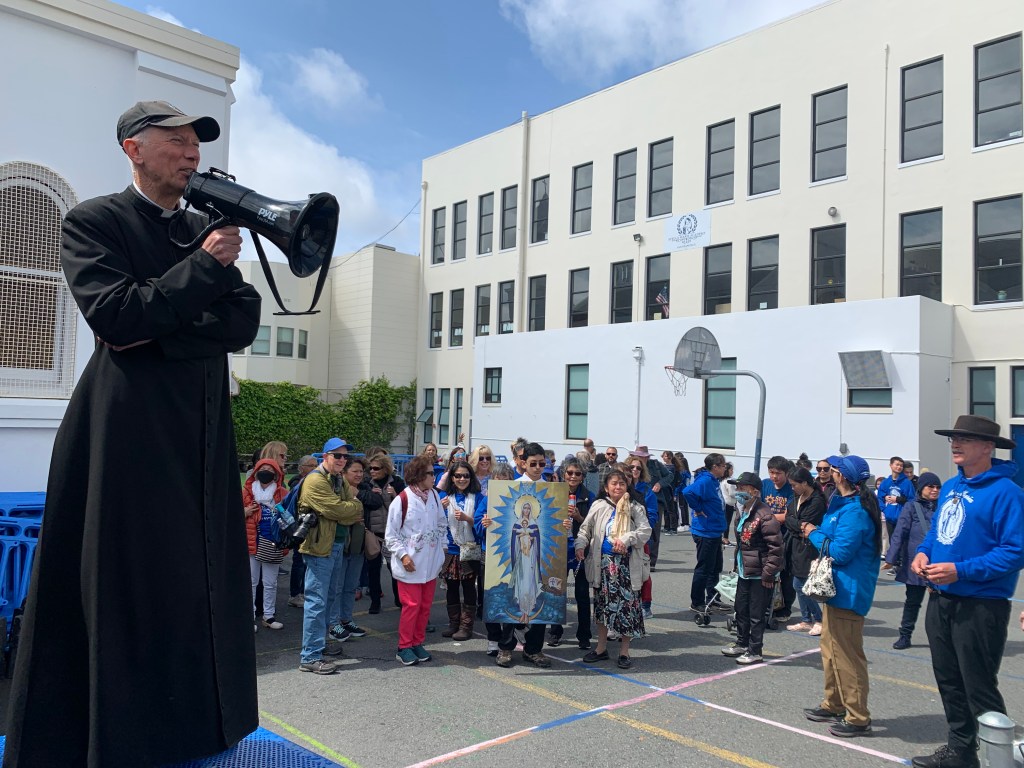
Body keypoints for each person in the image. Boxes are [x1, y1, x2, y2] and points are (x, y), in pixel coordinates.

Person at [4, 101, 262, 767]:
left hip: (201, 429)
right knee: (128, 579)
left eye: (196, 142)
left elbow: (240, 324)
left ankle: (195, 729)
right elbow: (116, 319)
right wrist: (202, 272)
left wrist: (162, 323)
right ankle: (117, 738)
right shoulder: (95, 221)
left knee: (196, 576)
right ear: (133, 149)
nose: (192, 153)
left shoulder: (205, 228)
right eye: (175, 140)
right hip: (127, 431)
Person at [910, 415, 1024, 768]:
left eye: (966, 439)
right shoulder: (950, 486)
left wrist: (960, 570)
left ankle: (998, 759)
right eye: (954, 438)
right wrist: (923, 552)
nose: (956, 444)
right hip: (941, 598)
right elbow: (937, 533)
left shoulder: (1007, 492)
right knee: (948, 680)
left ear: (988, 447)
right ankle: (960, 751)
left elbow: (1015, 551)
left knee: (979, 687)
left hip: (981, 604)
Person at [801, 453, 882, 739]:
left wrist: (812, 532)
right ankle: (834, 703)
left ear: (842, 477)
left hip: (848, 592)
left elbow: (840, 552)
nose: (828, 473)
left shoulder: (855, 512)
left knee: (847, 656)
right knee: (830, 651)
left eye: (833, 469)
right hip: (834, 590)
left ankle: (858, 717)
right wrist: (818, 533)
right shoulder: (843, 504)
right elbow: (829, 536)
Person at [574, 468, 652, 670]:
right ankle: (601, 648)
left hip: (626, 566)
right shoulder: (599, 505)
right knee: (602, 607)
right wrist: (580, 545)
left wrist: (627, 539)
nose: (618, 487)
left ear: (627, 486)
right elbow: (585, 529)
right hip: (603, 565)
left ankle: (624, 651)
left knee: (627, 609)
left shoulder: (635, 507)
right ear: (606, 487)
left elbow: (645, 531)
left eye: (622, 483)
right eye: (614, 483)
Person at [297, 438, 361, 675]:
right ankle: (310, 656)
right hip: (319, 548)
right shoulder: (315, 480)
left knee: (328, 598)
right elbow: (339, 509)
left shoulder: (337, 478)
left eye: (345, 456)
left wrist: (347, 509)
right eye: (337, 455)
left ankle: (318, 646)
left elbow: (349, 509)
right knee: (317, 601)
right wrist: (348, 508)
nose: (342, 460)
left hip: (334, 545)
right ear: (325, 456)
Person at [385, 456, 448, 666]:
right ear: (419, 475)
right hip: (410, 565)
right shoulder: (402, 500)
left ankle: (417, 642)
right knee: (411, 606)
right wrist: (403, 555)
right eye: (430, 473)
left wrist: (442, 548)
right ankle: (404, 646)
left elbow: (442, 523)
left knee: (425, 606)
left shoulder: (434, 496)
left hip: (430, 564)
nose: (433, 477)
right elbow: (391, 535)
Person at [721, 472, 783, 665]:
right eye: (737, 487)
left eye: (742, 488)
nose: (738, 491)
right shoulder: (742, 510)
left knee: (756, 614)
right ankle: (742, 643)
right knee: (741, 609)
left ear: (754, 491)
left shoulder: (764, 515)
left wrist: (768, 573)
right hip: (744, 571)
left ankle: (755, 650)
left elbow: (776, 548)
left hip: (760, 574)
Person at [883, 471, 941, 650]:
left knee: (939, 605)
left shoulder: (943, 506)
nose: (935, 490)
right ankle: (905, 635)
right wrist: (891, 558)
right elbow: (899, 533)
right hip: (915, 563)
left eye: (938, 487)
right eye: (930, 486)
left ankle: (940, 640)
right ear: (921, 488)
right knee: (913, 602)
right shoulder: (911, 506)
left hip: (938, 561)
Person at [546, 457, 595, 649]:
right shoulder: (554, 493)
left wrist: (578, 517)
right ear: (563, 474)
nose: (573, 476)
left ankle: (584, 635)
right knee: (556, 591)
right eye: (570, 473)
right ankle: (555, 632)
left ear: (582, 477)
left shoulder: (589, 496)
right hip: (559, 548)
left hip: (580, 549)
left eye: (577, 473)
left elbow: (593, 526)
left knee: (582, 593)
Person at [438, 460, 486, 640]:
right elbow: (434, 523)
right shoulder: (443, 497)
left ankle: (466, 627)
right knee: (451, 587)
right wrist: (439, 509)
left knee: (468, 588)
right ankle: (453, 624)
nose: (462, 479)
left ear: (471, 477)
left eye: (466, 475)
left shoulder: (479, 497)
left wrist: (468, 518)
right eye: (458, 475)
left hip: (469, 549)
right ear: (452, 478)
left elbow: (481, 525)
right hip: (450, 549)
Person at [326, 457, 370, 644]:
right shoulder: (335, 488)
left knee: (351, 586)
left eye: (361, 471)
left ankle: (346, 619)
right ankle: (333, 623)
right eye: (355, 471)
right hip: (340, 544)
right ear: (344, 473)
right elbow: (335, 513)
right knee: (336, 587)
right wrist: (351, 515)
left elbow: (374, 504)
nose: (359, 475)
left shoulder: (365, 489)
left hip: (357, 546)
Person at [244, 458, 290, 631]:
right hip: (252, 542)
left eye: (270, 470)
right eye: (262, 468)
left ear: (276, 474)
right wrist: (245, 512)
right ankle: (249, 617)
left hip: (273, 543)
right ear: (256, 472)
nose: (266, 472)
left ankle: (268, 616)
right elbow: (230, 514)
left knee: (270, 582)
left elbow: (290, 516)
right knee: (251, 582)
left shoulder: (283, 493)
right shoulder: (246, 492)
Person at [783, 466, 827, 636]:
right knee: (798, 582)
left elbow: (807, 524)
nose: (792, 488)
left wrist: (796, 524)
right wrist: (797, 524)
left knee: (802, 583)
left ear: (805, 483)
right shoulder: (797, 497)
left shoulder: (817, 501)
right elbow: (790, 519)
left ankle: (819, 619)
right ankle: (806, 619)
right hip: (795, 544)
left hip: (809, 547)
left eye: (794, 485)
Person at [682, 453, 728, 612]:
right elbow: (687, 492)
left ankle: (713, 599)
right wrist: (698, 508)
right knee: (704, 568)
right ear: (715, 467)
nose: (725, 468)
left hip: (714, 530)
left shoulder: (713, 480)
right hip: (705, 531)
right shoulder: (705, 480)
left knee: (715, 568)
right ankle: (697, 602)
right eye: (723, 466)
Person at [364, 454, 405, 614]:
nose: (372, 471)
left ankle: (399, 599)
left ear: (385, 469)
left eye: (376, 468)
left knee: (394, 569)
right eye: (370, 468)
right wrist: (370, 494)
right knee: (373, 569)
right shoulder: (366, 483)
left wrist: (394, 495)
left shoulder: (397, 482)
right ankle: (375, 602)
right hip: (373, 533)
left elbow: (405, 506)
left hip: (392, 534)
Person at [762, 455, 795, 622]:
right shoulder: (764, 484)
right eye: (771, 472)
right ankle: (766, 605)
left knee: (786, 574)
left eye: (778, 473)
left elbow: (787, 516)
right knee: (766, 571)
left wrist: (764, 518)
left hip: (785, 536)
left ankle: (785, 609)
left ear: (786, 473)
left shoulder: (791, 489)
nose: (774, 476)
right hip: (765, 535)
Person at [287, 454, 320, 608]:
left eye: (316, 465)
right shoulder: (298, 483)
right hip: (299, 527)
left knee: (307, 563)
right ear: (301, 468)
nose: (315, 468)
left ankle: (303, 592)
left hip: (311, 527)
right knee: (299, 562)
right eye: (311, 465)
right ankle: (295, 594)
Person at [877, 456, 915, 540]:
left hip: (902, 518)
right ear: (891, 465)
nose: (899, 467)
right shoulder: (885, 482)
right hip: (889, 517)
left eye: (901, 465)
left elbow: (912, 500)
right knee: (892, 541)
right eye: (897, 464)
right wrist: (885, 510)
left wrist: (898, 499)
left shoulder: (907, 483)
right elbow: (879, 498)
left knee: (901, 542)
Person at [720, 462, 737, 546]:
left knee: (724, 521)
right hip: (728, 503)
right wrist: (740, 493)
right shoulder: (729, 481)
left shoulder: (722, 480)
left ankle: (723, 538)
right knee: (727, 521)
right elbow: (732, 493)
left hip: (724, 503)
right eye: (731, 470)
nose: (732, 471)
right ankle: (725, 539)